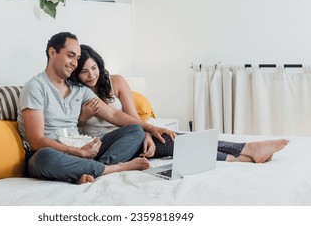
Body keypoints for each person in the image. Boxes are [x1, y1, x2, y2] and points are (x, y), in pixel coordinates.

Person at [69, 44, 290, 163]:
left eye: (94, 68)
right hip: (109, 146)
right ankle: (245, 154)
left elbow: (132, 117)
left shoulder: (116, 81)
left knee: (174, 138)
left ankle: (245, 153)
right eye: (84, 72)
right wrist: (83, 117)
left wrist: (147, 135)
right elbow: (72, 133)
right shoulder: (76, 93)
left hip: (133, 135)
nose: (91, 75)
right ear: (76, 74)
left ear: (100, 65)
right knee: (176, 144)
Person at [17, 32, 175, 185]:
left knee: (134, 130)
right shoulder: (35, 87)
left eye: (77, 58)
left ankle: (90, 169)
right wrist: (79, 153)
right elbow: (36, 141)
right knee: (45, 157)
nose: (74, 63)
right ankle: (114, 168)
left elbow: (113, 114)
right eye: (70, 55)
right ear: (52, 52)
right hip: (51, 153)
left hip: (82, 150)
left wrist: (151, 128)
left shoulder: (79, 89)